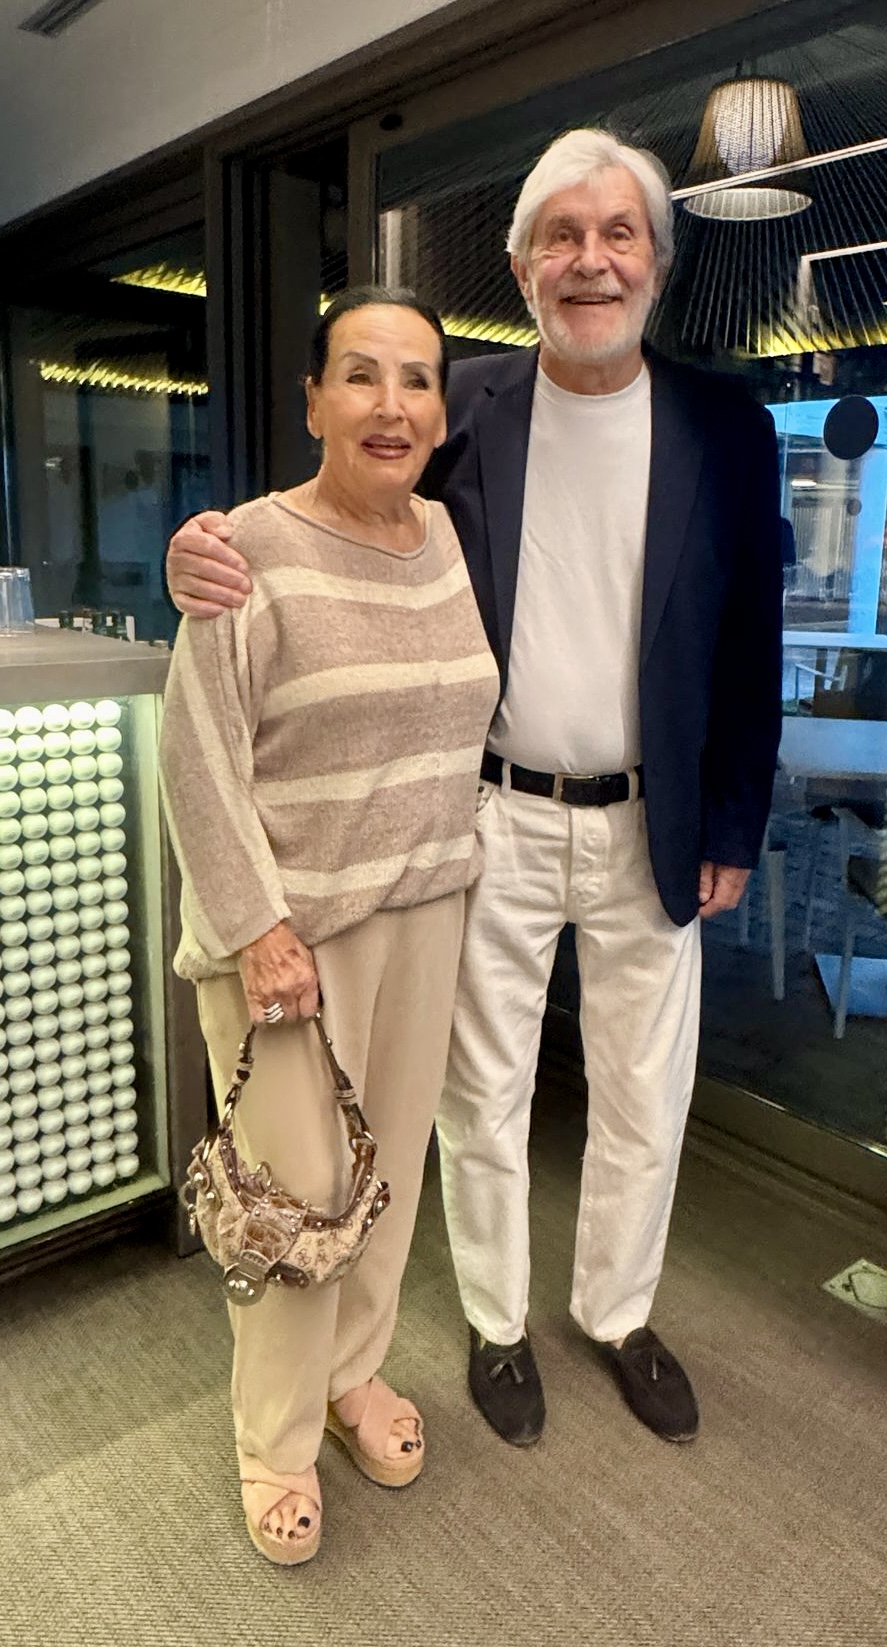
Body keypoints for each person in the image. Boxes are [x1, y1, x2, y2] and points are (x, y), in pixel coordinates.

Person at [165, 129, 783, 1452]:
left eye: (617, 233)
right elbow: (339, 507)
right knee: (478, 1093)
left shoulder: (724, 424)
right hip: (486, 816)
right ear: (520, 266)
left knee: (643, 1093)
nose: (589, 260)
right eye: (560, 236)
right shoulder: (464, 408)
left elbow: (750, 637)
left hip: (657, 820)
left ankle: (616, 1312)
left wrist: (734, 816)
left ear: (656, 262)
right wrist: (202, 552)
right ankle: (496, 1322)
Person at [158, 286, 499, 1564]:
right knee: (294, 1203)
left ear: (439, 411)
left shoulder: (447, 539)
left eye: (415, 380)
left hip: (423, 911)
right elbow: (194, 753)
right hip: (289, 943)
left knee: (387, 1176)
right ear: (311, 402)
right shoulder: (245, 548)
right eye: (359, 375)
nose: (389, 405)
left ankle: (356, 1376)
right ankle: (274, 1441)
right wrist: (258, 929)